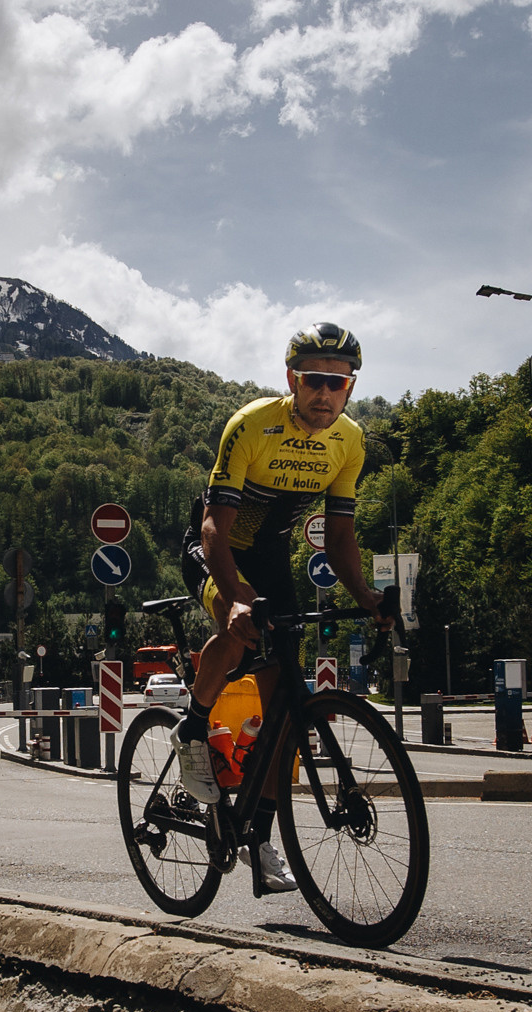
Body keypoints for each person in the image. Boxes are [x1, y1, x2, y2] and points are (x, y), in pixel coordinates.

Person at [175, 323, 391, 896]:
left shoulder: (350, 442)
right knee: (239, 627)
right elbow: (216, 526)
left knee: (283, 716)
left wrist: (366, 597)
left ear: (350, 387)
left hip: (270, 554)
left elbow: (341, 537)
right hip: (215, 546)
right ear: (292, 379)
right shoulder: (251, 425)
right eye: (314, 380)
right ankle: (192, 727)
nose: (325, 393)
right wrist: (235, 597)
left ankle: (260, 839)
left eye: (338, 382)